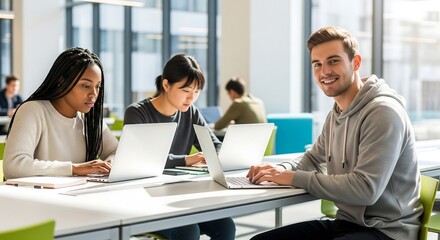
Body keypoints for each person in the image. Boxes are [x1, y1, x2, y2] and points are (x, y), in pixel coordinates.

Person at [247, 26, 422, 240]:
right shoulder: (338, 112)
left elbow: (366, 189)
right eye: (317, 64)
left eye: (333, 61)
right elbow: (314, 158)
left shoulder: (383, 112)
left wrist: (293, 177)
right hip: (347, 223)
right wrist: (278, 170)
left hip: (387, 231)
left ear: (355, 62)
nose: (324, 72)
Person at [124, 53, 235, 240]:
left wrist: (211, 156)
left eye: (197, 92)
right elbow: (141, 160)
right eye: (186, 90)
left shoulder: (191, 112)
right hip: (144, 201)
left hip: (178, 197)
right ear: (166, 85)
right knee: (188, 231)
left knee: (225, 226)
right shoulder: (137, 113)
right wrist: (186, 159)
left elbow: (214, 145)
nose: (191, 98)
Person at [4, 47, 118, 180]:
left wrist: (111, 164)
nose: (94, 94)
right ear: (61, 81)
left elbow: (117, 152)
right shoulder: (33, 110)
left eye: (98, 86)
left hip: (75, 197)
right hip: (38, 198)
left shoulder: (89, 119)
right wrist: (74, 169)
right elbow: (13, 166)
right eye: (86, 86)